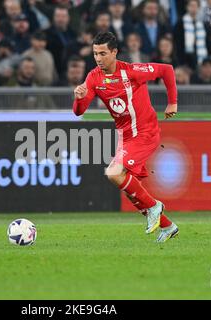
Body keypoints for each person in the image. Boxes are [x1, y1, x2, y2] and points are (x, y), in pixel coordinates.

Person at [73, 32, 179, 243]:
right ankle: (168, 226)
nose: (98, 58)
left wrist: (172, 102)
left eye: (103, 53)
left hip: (145, 132)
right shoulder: (94, 77)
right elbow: (78, 111)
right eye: (95, 53)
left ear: (114, 52)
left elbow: (166, 70)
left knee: (114, 172)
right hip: (126, 137)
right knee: (131, 190)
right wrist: (79, 98)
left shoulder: (132, 71)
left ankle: (155, 207)